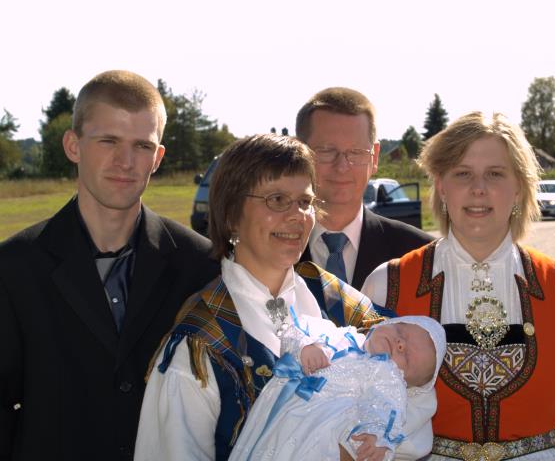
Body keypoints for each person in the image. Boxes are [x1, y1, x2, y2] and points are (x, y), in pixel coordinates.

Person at [362, 111, 555, 460]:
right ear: (441, 185)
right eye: (463, 173)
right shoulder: (387, 285)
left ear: (519, 186)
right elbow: (354, 413)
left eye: (495, 173)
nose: (478, 188)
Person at [0, 70, 220, 461]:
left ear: (158, 158)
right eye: (108, 141)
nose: (125, 161)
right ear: (73, 146)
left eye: (141, 146)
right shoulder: (13, 268)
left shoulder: (200, 264)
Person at [134, 134, 382, 461]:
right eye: (277, 200)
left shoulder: (332, 298)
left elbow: (409, 378)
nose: (298, 215)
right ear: (231, 215)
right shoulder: (198, 343)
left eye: (305, 201)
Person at [229, 315, 446, 461]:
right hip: (284, 408)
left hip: (323, 425)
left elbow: (386, 404)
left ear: (407, 384)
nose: (400, 344)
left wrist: (376, 435)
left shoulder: (385, 373)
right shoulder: (341, 334)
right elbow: (296, 326)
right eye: (400, 331)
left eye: (406, 357)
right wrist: (306, 346)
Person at [296, 87, 433, 290]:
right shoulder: (267, 253)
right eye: (326, 150)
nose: (342, 166)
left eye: (356, 152)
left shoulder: (422, 256)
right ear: (299, 153)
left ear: (374, 157)